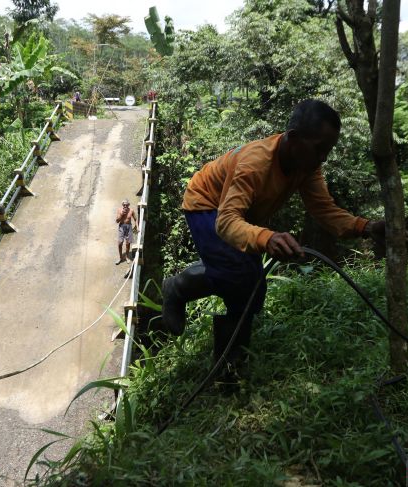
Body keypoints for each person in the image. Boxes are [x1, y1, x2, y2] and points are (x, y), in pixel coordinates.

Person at [161, 99, 385, 377]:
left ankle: (230, 364)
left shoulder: (307, 166)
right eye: (319, 149)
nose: (323, 158)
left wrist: (366, 227)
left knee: (250, 286)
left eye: (327, 151)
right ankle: (181, 293)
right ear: (293, 138)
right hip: (207, 205)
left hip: (240, 217)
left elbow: (323, 209)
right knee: (240, 277)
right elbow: (227, 222)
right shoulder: (255, 164)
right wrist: (267, 239)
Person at [116, 199, 137, 265]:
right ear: (122, 205)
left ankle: (127, 257)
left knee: (128, 243)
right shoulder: (119, 210)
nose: (125, 206)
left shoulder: (131, 210)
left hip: (129, 227)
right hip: (121, 226)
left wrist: (137, 227)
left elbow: (136, 219)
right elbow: (117, 221)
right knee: (120, 243)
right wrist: (122, 214)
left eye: (126, 205)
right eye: (124, 205)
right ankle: (120, 257)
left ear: (128, 205)